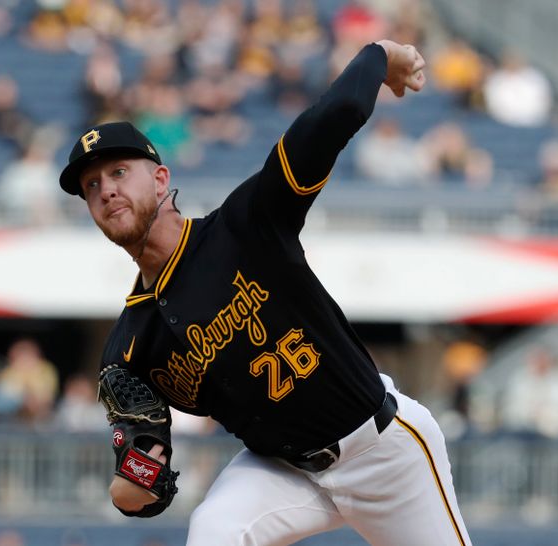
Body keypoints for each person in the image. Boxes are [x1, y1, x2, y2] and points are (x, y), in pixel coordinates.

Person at [58, 39, 471, 546]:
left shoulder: (245, 225)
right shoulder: (128, 349)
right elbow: (137, 489)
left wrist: (379, 55)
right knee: (213, 531)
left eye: (118, 172)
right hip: (282, 471)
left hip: (380, 449)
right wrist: (136, 479)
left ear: (162, 179)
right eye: (92, 187)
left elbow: (329, 119)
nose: (106, 191)